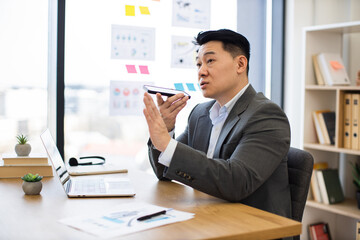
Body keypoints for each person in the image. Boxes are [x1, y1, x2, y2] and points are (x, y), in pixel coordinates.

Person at [142, 29, 291, 218]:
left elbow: (237, 182)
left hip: (251, 225)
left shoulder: (266, 115)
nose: (201, 71)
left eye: (210, 61)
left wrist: (166, 143)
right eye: (198, 64)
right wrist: (166, 129)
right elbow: (164, 171)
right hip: (208, 215)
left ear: (240, 64)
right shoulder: (200, 114)